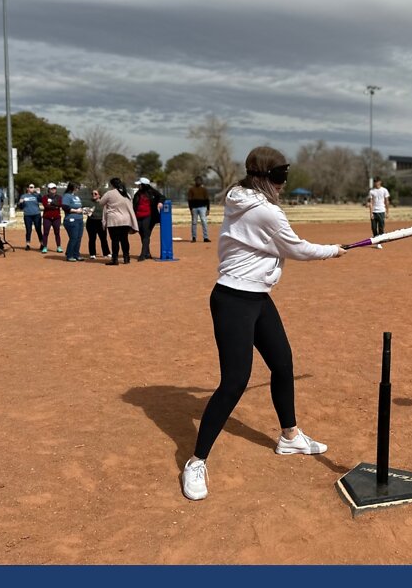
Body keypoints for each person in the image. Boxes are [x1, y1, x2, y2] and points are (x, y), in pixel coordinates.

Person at [181, 146, 346, 501]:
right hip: (233, 299)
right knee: (235, 381)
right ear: (265, 178)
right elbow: (298, 249)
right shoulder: (265, 212)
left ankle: (289, 437)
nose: (284, 183)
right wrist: (333, 250)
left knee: (282, 363)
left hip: (256, 298)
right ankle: (196, 461)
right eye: (280, 176)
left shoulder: (241, 198)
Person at [99, 177, 139, 265]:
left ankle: (115, 259)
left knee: (115, 240)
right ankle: (126, 258)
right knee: (124, 239)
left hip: (114, 220)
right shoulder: (126, 194)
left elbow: (101, 202)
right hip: (125, 220)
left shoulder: (109, 193)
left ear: (112, 185)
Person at [132, 177, 167, 261]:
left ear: (144, 185)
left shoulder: (152, 192)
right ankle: (147, 253)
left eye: (140, 184)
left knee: (146, 235)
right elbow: (134, 205)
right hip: (138, 217)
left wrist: (160, 202)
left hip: (149, 217)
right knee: (142, 235)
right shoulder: (137, 194)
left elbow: (162, 197)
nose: (138, 186)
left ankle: (143, 255)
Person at [61, 182, 87, 262]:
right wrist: (76, 211)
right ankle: (69, 255)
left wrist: (85, 210)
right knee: (74, 237)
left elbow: (79, 207)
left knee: (78, 238)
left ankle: (76, 254)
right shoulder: (66, 196)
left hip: (79, 219)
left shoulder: (76, 196)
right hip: (71, 220)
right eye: (77, 187)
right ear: (72, 187)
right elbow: (65, 207)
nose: (78, 189)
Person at [84, 188, 111, 260]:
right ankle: (92, 254)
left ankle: (106, 253)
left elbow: (107, 212)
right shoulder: (89, 202)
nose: (93, 195)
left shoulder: (104, 203)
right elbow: (85, 211)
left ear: (99, 195)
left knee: (103, 238)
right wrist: (88, 211)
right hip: (91, 222)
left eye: (95, 194)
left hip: (101, 222)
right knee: (92, 238)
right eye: (92, 194)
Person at [366, 177, 391, 250]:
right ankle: (377, 240)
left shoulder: (384, 190)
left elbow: (387, 201)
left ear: (380, 182)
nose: (376, 183)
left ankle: (379, 242)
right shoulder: (371, 191)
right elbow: (371, 202)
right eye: (375, 182)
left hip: (381, 211)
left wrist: (387, 212)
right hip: (374, 211)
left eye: (377, 181)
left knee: (381, 228)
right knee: (374, 228)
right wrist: (371, 213)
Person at [17, 183, 43, 251]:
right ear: (27, 188)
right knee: (28, 230)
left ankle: (42, 244)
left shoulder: (36, 195)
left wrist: (39, 193)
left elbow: (42, 200)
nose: (32, 188)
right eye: (31, 187)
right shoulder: (23, 196)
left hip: (36, 214)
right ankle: (28, 244)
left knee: (38, 229)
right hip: (27, 215)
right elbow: (20, 207)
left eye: (33, 187)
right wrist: (20, 203)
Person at [40, 183, 64, 254]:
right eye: (52, 188)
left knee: (57, 232)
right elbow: (46, 206)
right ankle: (44, 247)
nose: (53, 190)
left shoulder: (59, 197)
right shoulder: (45, 197)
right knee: (46, 233)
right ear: (49, 189)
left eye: (54, 188)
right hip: (47, 217)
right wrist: (55, 206)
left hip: (56, 217)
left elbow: (60, 205)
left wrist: (52, 204)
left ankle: (59, 246)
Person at [187, 176, 212, 243]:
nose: (198, 182)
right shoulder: (191, 189)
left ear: (201, 181)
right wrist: (190, 209)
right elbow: (189, 200)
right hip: (194, 208)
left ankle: (205, 237)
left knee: (204, 222)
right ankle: (194, 237)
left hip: (203, 207)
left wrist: (208, 209)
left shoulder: (204, 189)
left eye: (199, 180)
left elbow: (207, 200)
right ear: (195, 181)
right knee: (194, 222)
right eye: (197, 180)